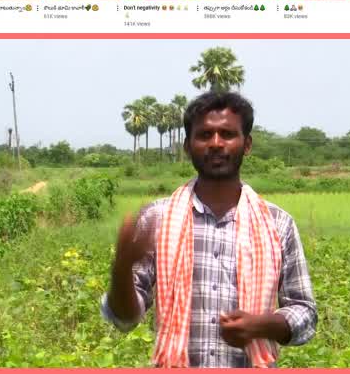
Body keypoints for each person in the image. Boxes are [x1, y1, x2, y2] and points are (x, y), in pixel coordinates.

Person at [101, 91, 317, 368]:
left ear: (247, 144)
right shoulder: (157, 218)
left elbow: (305, 313)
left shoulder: (277, 223)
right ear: (188, 146)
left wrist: (262, 326)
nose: (216, 143)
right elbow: (125, 318)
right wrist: (121, 267)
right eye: (204, 135)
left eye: (227, 134)